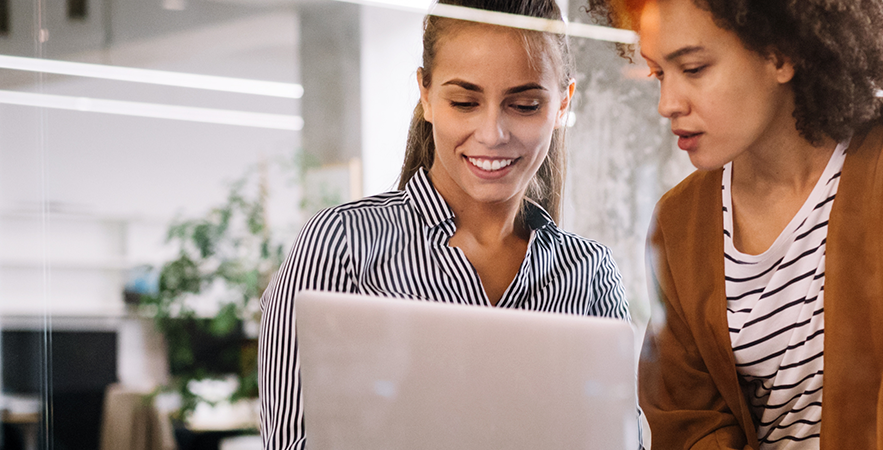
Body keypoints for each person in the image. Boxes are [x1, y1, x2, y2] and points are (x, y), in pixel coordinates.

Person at [583, 0, 883, 448]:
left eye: (695, 68)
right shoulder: (679, 222)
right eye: (659, 73)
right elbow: (689, 424)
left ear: (781, 54)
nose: (667, 104)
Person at [255, 0, 628, 448]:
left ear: (563, 102)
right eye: (464, 102)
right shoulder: (342, 247)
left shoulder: (588, 271)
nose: (492, 133)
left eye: (525, 105)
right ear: (426, 95)